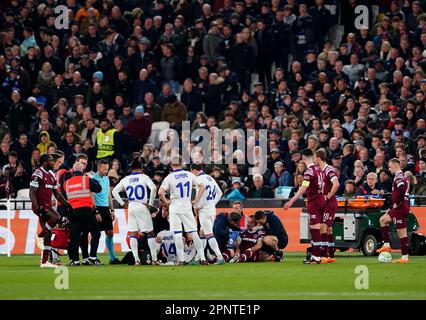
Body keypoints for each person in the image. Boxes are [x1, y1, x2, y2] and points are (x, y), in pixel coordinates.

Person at [158, 157, 207, 265]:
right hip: (187, 207)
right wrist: (195, 200)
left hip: (174, 208)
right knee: (194, 232)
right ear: (181, 163)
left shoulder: (169, 177)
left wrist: (166, 202)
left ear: (171, 164)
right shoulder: (189, 174)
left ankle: (182, 259)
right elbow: (202, 187)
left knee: (177, 234)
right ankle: (202, 258)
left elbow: (160, 192)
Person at [112, 160, 158, 266]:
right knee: (150, 233)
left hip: (131, 206)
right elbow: (153, 188)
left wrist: (122, 203)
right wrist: (150, 203)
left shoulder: (126, 179)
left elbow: (114, 191)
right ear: (141, 168)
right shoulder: (144, 177)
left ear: (131, 169)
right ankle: (154, 259)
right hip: (142, 205)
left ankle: (136, 260)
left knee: (133, 233)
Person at [29, 153, 72, 268]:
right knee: (57, 217)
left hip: (47, 205)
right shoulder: (38, 173)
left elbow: (57, 194)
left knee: (48, 234)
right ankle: (39, 236)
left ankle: (44, 262)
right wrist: (37, 209)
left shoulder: (52, 175)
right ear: (45, 162)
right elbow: (32, 192)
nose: (53, 163)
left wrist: (67, 204)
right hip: (40, 205)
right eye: (51, 161)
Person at [283, 148, 325, 264]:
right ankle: (315, 255)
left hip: (314, 201)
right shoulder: (319, 169)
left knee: (314, 228)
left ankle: (316, 257)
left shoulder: (309, 171)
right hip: (321, 199)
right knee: (317, 227)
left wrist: (291, 201)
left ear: (303, 158)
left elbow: (303, 187)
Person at [64, 161, 102, 266]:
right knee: (96, 233)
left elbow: (63, 197)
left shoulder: (66, 183)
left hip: (72, 212)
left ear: (73, 171)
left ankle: (75, 260)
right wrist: (92, 178)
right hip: (86, 210)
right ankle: (92, 257)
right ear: (82, 171)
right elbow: (98, 189)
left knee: (75, 237)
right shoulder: (86, 179)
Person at [377, 158, 410, 264]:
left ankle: (404, 258)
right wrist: (392, 207)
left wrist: (397, 202)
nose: (389, 169)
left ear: (395, 166)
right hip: (397, 207)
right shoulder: (399, 176)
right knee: (383, 220)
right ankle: (387, 245)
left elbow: (401, 189)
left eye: (390, 167)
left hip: (400, 208)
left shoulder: (399, 177)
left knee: (402, 233)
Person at [190, 163, 224, 264]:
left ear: (194, 170)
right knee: (202, 233)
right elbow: (220, 193)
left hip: (204, 210)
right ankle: (198, 258)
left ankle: (220, 257)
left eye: (192, 171)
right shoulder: (210, 178)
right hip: (211, 209)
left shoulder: (198, 180)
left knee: (208, 234)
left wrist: (195, 206)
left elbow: (200, 196)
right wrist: (212, 203)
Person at [314, 148, 339, 263]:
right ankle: (331, 256)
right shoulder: (321, 170)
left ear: (318, 158)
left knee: (322, 228)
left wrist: (328, 196)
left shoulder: (329, 170)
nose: (314, 160)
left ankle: (324, 255)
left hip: (330, 203)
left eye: (314, 157)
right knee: (328, 229)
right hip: (325, 203)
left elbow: (336, 184)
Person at [92, 159, 120, 264]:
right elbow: (92, 196)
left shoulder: (107, 179)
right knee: (96, 234)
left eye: (107, 169)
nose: (106, 171)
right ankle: (93, 257)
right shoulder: (93, 179)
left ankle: (112, 258)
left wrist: (112, 209)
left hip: (106, 208)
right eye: (104, 169)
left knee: (110, 232)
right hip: (98, 208)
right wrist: (95, 211)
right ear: (99, 168)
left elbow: (109, 194)